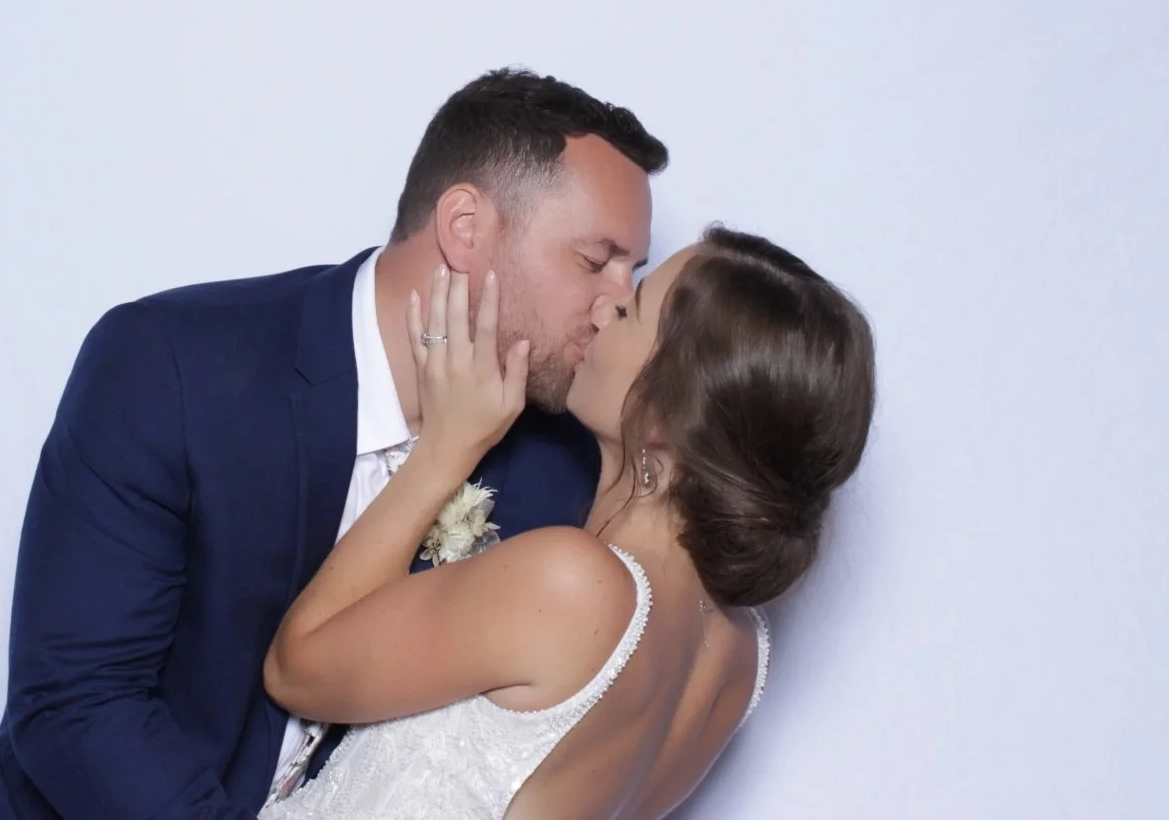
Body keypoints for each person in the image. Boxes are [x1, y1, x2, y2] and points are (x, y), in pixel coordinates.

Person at [0, 68, 669, 819]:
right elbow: (74, 706)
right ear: (464, 228)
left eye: (634, 273)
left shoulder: (558, 477)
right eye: (594, 261)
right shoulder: (170, 364)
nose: (618, 300)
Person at [259, 225, 876, 819]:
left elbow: (297, 669)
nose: (604, 311)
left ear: (672, 414)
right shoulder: (739, 659)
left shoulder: (574, 585)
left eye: (631, 311)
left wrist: (444, 450)